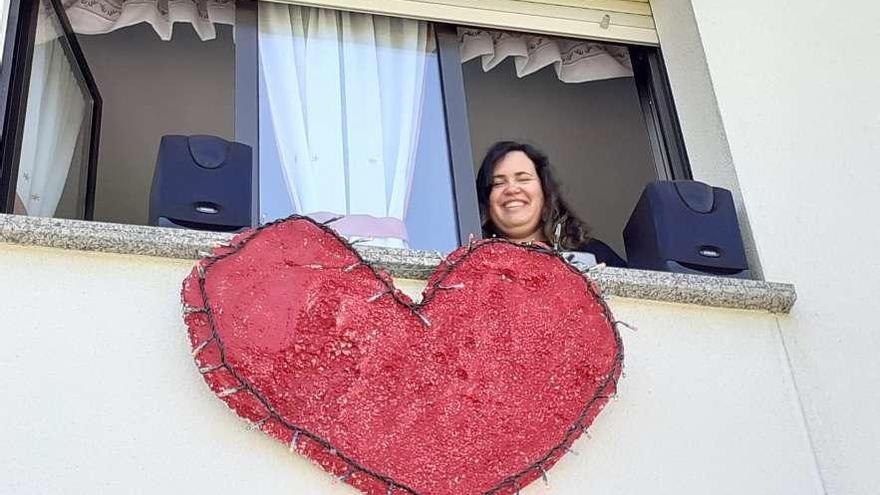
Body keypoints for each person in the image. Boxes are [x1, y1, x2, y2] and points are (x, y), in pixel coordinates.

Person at [475, 140, 627, 268]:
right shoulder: (477, 265)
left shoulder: (594, 255)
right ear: (486, 204)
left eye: (523, 179)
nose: (512, 189)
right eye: (498, 183)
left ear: (546, 194)